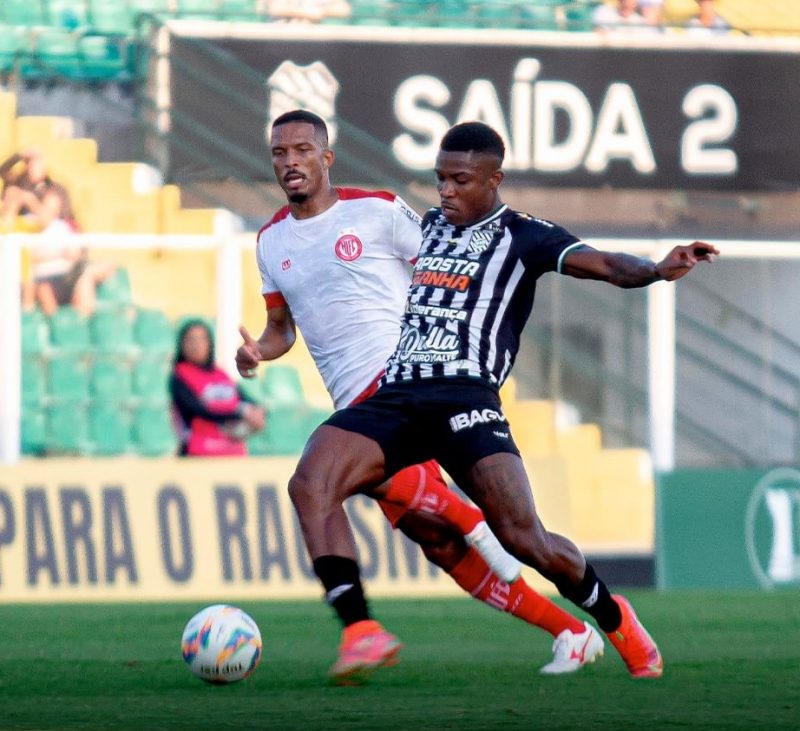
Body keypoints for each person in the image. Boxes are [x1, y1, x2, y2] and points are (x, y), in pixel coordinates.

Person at [281, 120, 720, 684]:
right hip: (399, 391)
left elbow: (607, 264)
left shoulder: (525, 235)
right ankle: (360, 630)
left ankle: (615, 619)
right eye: (440, 179)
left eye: (460, 180)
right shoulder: (430, 226)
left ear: (494, 180)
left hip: (465, 396)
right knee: (311, 482)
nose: (445, 192)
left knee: (523, 537)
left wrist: (658, 269)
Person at [236, 110, 604, 683]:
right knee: (436, 544)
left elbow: (444, 259)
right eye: (280, 153)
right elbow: (282, 328)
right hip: (353, 403)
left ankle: (455, 548)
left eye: (302, 150)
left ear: (326, 158)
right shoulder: (270, 241)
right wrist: (259, 350)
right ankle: (569, 630)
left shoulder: (378, 211)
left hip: (407, 380)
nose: (290, 161)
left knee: (349, 484)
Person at [1, 147, 115, 316]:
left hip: (64, 265)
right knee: (39, 287)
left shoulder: (55, 190)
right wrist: (19, 156)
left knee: (91, 273)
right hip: (37, 267)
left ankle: (77, 325)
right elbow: (3, 172)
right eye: (30, 164)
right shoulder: (20, 187)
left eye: (36, 163)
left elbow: (55, 221)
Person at [172, 318, 265, 456]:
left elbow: (247, 401)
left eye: (201, 339)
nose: (196, 345)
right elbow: (198, 410)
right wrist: (240, 412)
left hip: (232, 452)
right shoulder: (179, 375)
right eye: (190, 340)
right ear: (182, 344)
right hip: (197, 454)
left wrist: (257, 413)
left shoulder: (220, 374)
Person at [592, 0, 659, 33]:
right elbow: (597, 31)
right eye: (623, 0)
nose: (626, 3)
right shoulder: (604, 12)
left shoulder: (641, 23)